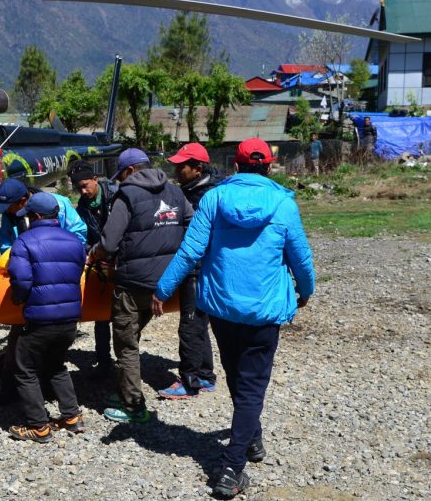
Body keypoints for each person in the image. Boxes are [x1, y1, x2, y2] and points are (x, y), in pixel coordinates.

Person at [153, 138, 315, 499]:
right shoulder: (283, 204)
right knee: (252, 386)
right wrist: (306, 290)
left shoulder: (214, 199)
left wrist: (162, 290)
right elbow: (300, 256)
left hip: (223, 307)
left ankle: (251, 441)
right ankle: (232, 469)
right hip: (264, 310)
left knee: (238, 379)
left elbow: (190, 250)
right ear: (269, 166)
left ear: (237, 166)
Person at [87, 148, 192, 423]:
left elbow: (109, 243)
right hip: (166, 282)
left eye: (121, 175)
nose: (120, 180)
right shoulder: (174, 192)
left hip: (133, 284)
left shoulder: (127, 195)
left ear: (131, 171)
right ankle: (127, 387)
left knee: (125, 344)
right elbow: (192, 223)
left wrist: (94, 252)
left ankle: (133, 405)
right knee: (132, 336)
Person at [0, 177, 86, 403]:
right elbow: (6, 244)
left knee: (31, 349)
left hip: (50, 287)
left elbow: (79, 235)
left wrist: (47, 255)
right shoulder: (10, 215)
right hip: (34, 284)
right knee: (22, 342)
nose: (8, 212)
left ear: (24, 201)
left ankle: (36, 415)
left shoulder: (59, 204)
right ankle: (13, 389)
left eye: (11, 207)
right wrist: (14, 258)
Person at [6, 192, 86, 442]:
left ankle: (39, 426)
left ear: (37, 216)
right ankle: (71, 417)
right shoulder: (75, 241)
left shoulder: (24, 242)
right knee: (56, 365)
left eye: (28, 214)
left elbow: (21, 279)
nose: (27, 219)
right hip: (69, 319)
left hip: (40, 319)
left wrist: (19, 299)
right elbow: (78, 270)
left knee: (25, 369)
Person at [157, 142, 218, 400]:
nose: (176, 170)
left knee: (190, 325)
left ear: (198, 168)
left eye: (182, 166)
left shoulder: (205, 196)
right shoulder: (192, 190)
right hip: (199, 267)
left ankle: (191, 380)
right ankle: (205, 375)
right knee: (198, 323)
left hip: (198, 267)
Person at [68, 161, 119, 376]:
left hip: (122, 261)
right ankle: (103, 359)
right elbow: (84, 237)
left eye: (86, 185)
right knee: (101, 314)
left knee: (124, 315)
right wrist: (94, 252)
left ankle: (126, 359)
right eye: (78, 187)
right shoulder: (81, 208)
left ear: (95, 179)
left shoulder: (117, 196)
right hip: (101, 262)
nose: (83, 190)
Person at [0, 178, 87, 252]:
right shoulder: (9, 213)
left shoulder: (60, 204)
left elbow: (78, 232)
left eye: (7, 207)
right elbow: (5, 242)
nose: (5, 211)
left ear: (23, 201)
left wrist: (62, 256)